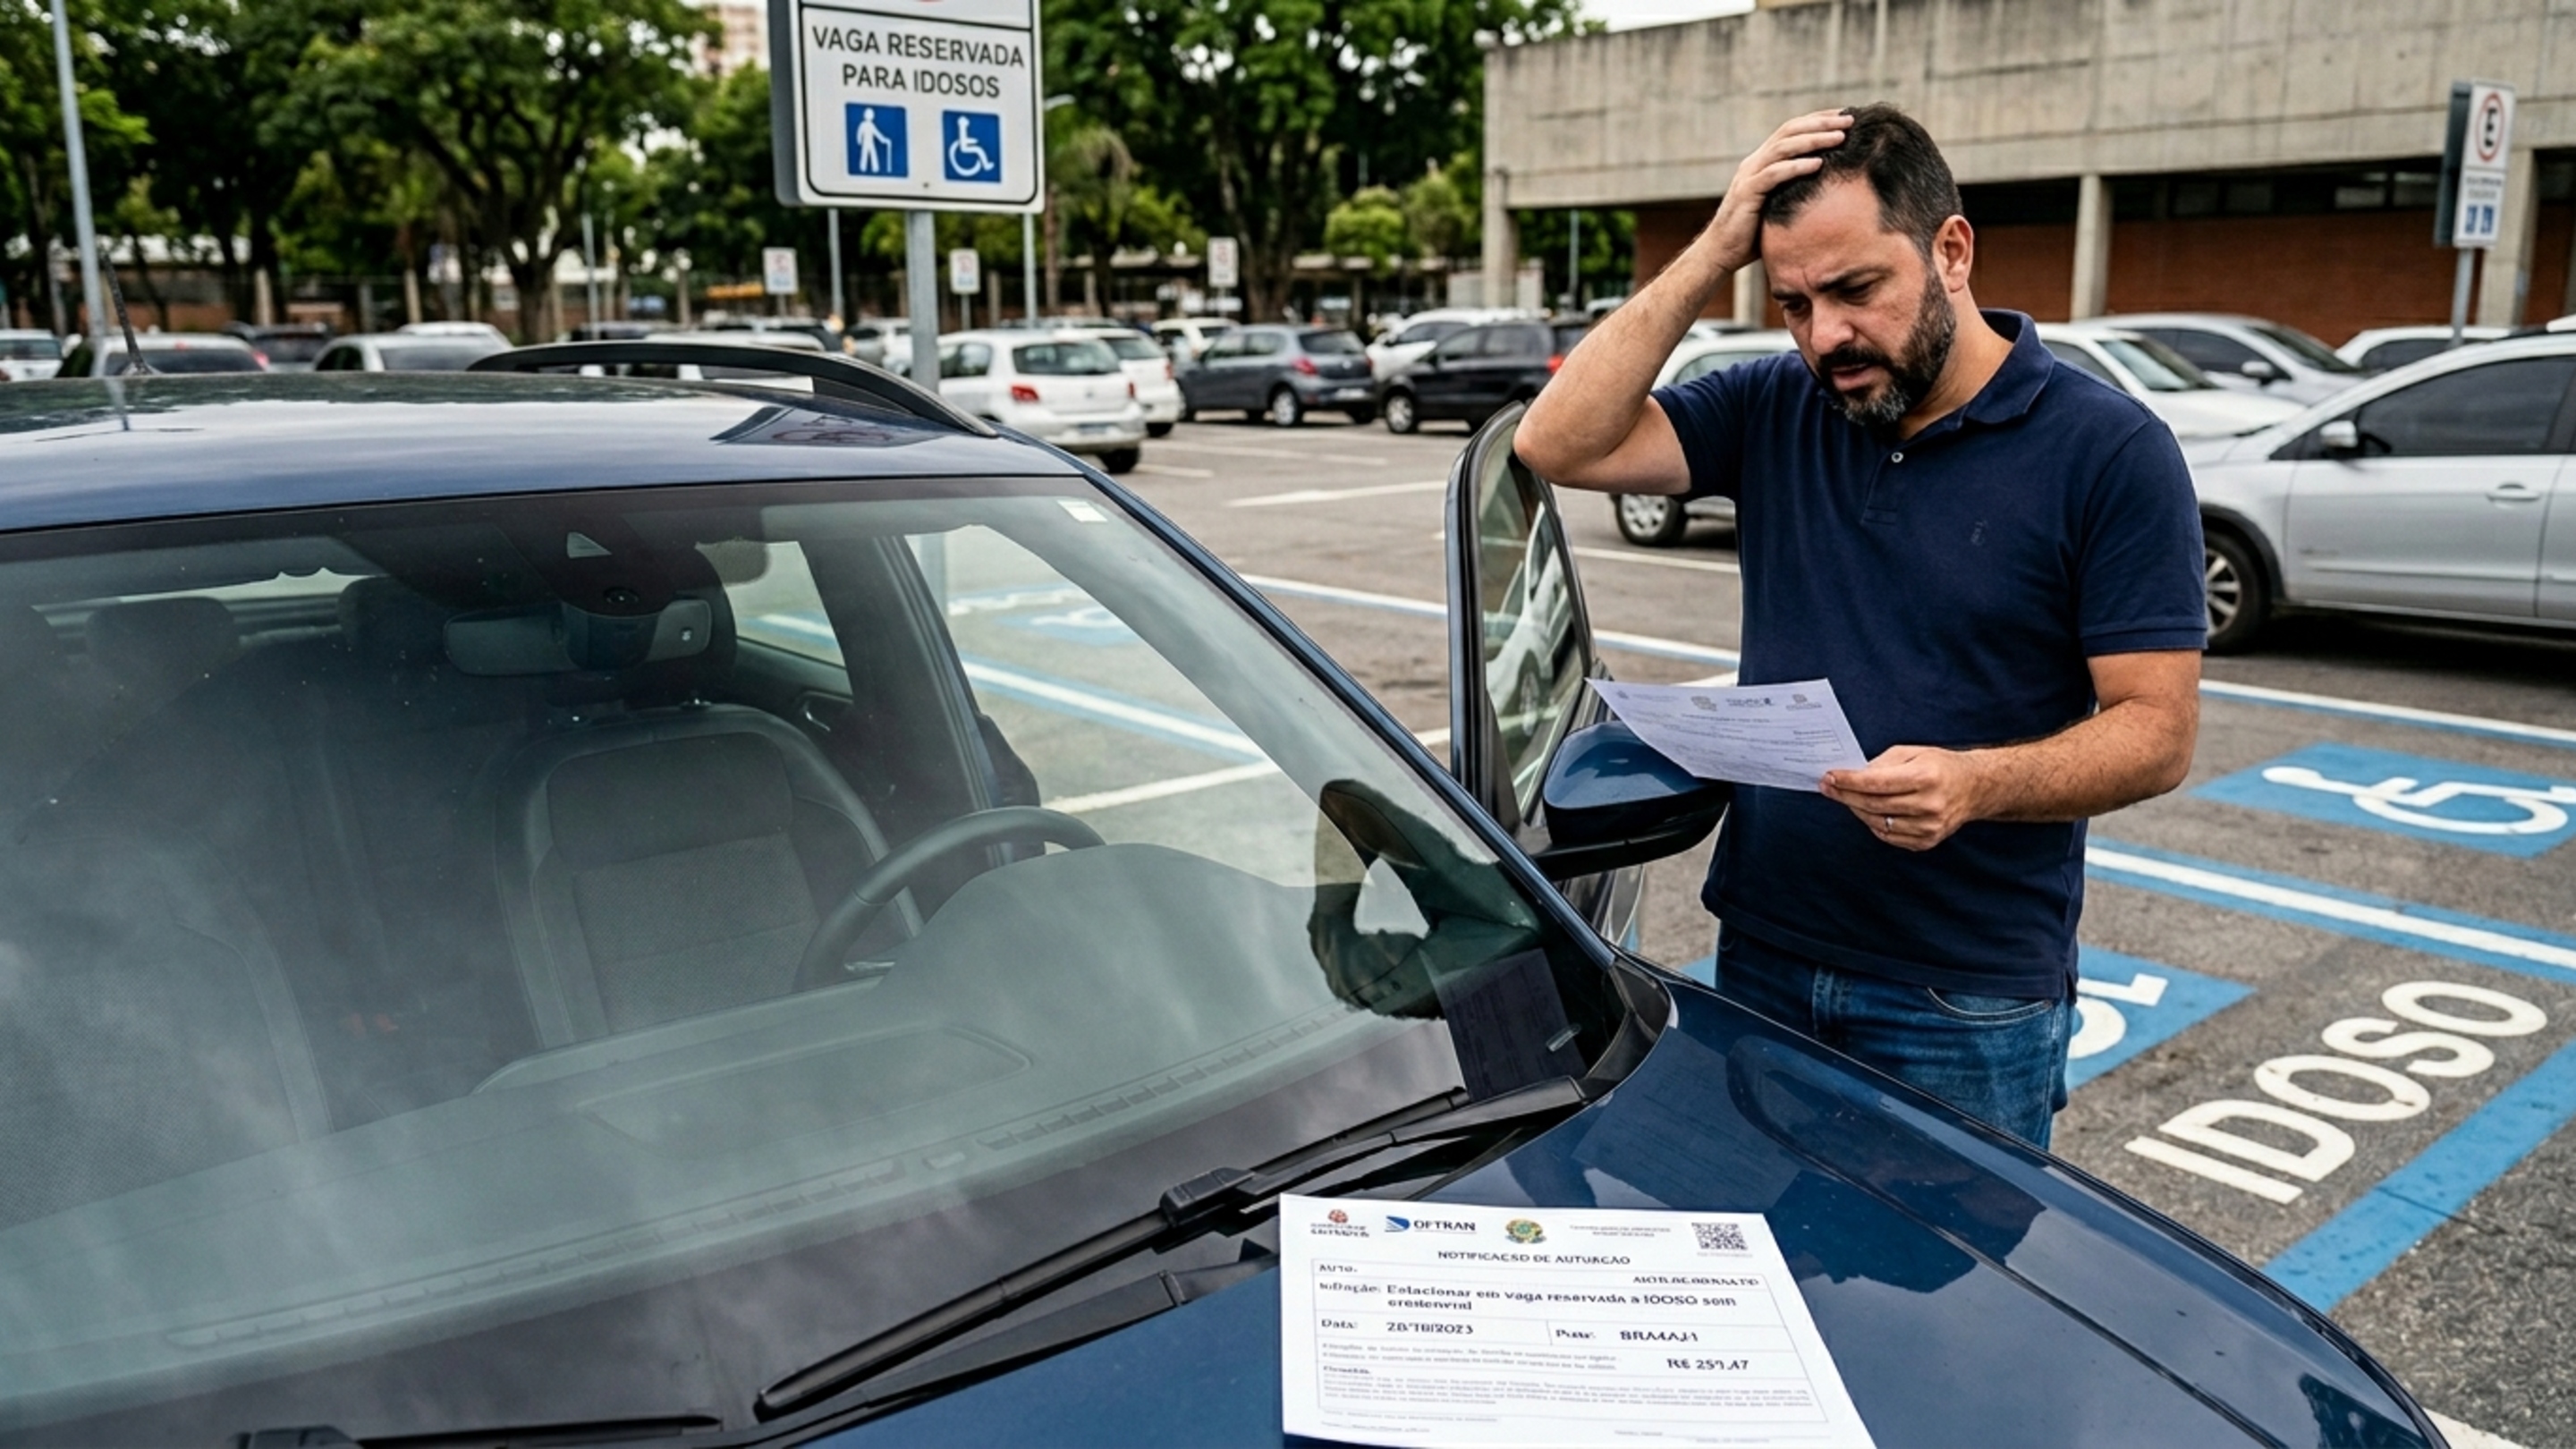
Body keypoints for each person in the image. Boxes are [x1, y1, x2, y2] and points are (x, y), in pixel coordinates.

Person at [1516, 104, 2204, 1148]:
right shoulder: (1778, 406)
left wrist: (1975, 784)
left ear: (1952, 251)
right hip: (1765, 949)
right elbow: (1558, 444)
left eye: (1855, 290)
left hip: (1964, 995)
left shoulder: (2108, 452)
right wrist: (1715, 248)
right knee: (1758, 1235)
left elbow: (2157, 729)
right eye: (1793, 303)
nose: (1825, 335)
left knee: (1947, 1261)